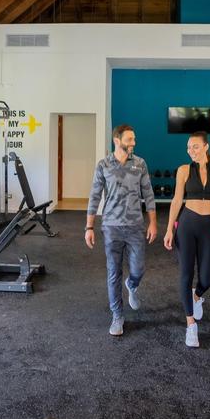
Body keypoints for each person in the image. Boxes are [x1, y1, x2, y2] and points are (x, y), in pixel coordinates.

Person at [86, 124, 157, 337]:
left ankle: (132, 285)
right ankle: (117, 315)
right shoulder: (104, 165)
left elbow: (149, 194)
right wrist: (89, 226)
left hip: (135, 226)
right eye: (129, 139)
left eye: (134, 139)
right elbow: (94, 196)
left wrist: (153, 222)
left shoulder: (140, 164)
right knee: (113, 272)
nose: (133, 143)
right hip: (111, 227)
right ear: (117, 141)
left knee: (138, 269)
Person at [163, 131, 210, 348]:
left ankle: (197, 296)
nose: (191, 151)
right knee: (186, 273)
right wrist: (169, 229)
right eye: (189, 147)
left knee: (207, 278)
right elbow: (176, 200)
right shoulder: (183, 170)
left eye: (195, 147)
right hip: (187, 224)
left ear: (206, 147)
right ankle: (191, 325)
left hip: (209, 226)